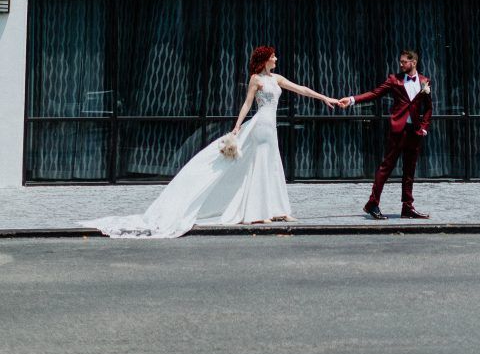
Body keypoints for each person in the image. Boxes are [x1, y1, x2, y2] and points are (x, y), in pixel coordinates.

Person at [82, 46, 338, 237]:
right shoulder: (257, 80)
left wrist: (325, 98)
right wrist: (237, 128)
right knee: (259, 167)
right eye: (273, 56)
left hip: (271, 129)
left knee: (273, 166)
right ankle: (259, 213)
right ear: (265, 60)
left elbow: (301, 89)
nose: (276, 58)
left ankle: (279, 209)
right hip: (260, 126)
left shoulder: (277, 78)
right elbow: (247, 104)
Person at [338, 48, 432, 220]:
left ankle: (407, 207)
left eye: (404, 61)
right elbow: (374, 94)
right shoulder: (394, 80)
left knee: (409, 171)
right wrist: (351, 99)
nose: (401, 64)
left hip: (415, 132)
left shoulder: (425, 81)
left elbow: (428, 108)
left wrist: (424, 127)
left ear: (414, 62)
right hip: (398, 131)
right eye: (401, 61)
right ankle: (372, 203)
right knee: (386, 168)